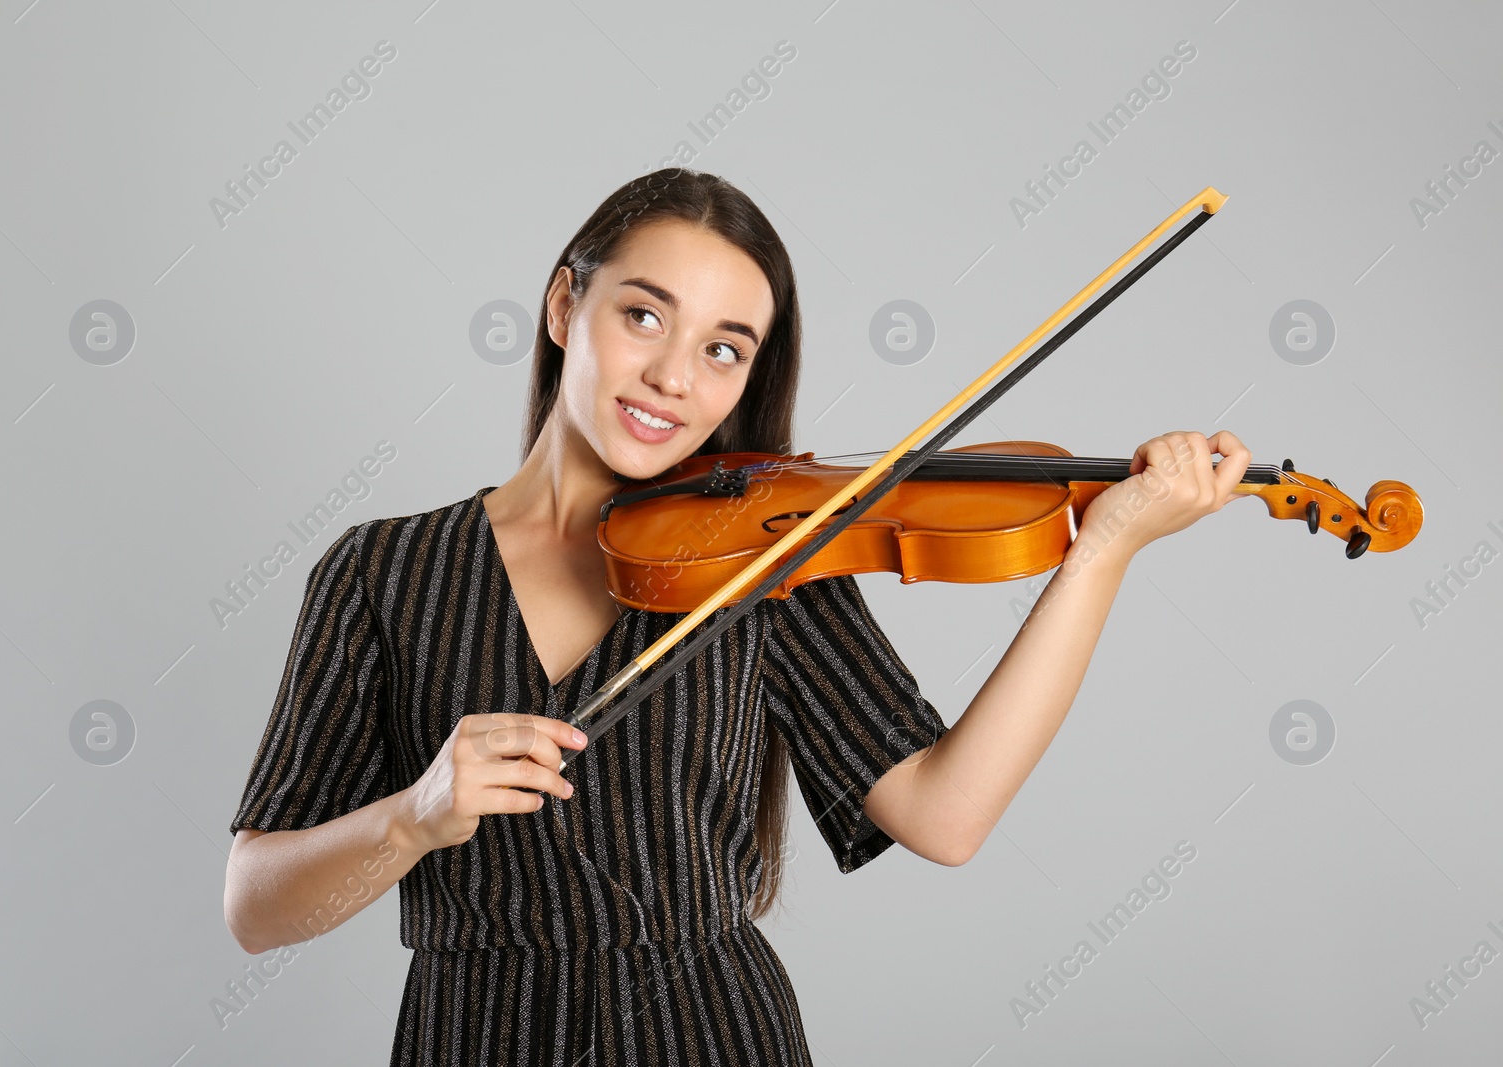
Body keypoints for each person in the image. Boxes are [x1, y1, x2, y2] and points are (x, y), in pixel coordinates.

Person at [223, 168, 1250, 1065]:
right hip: (471, 1030)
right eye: (642, 315)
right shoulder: (380, 569)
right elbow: (257, 909)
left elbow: (945, 814)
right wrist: (413, 814)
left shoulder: (767, 552)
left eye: (724, 349)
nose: (674, 374)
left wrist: (1103, 546)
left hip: (708, 1030)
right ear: (561, 304)